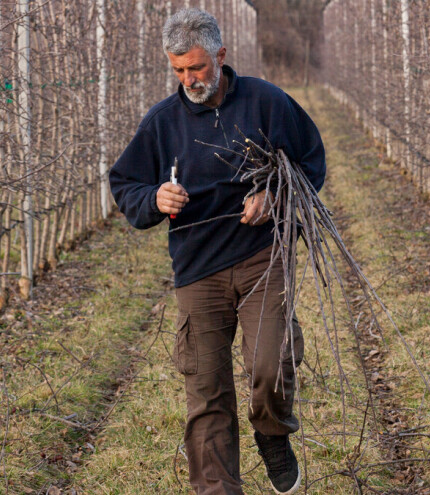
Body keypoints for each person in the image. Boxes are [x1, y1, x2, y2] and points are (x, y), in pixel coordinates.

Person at [109, 8, 325, 495]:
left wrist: (277, 196)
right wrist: (154, 199)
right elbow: (125, 184)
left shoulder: (267, 103)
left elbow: (311, 162)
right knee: (207, 397)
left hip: (261, 258)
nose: (189, 79)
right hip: (197, 271)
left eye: (197, 68)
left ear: (221, 56)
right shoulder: (162, 123)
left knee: (271, 366)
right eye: (179, 70)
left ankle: (272, 433)